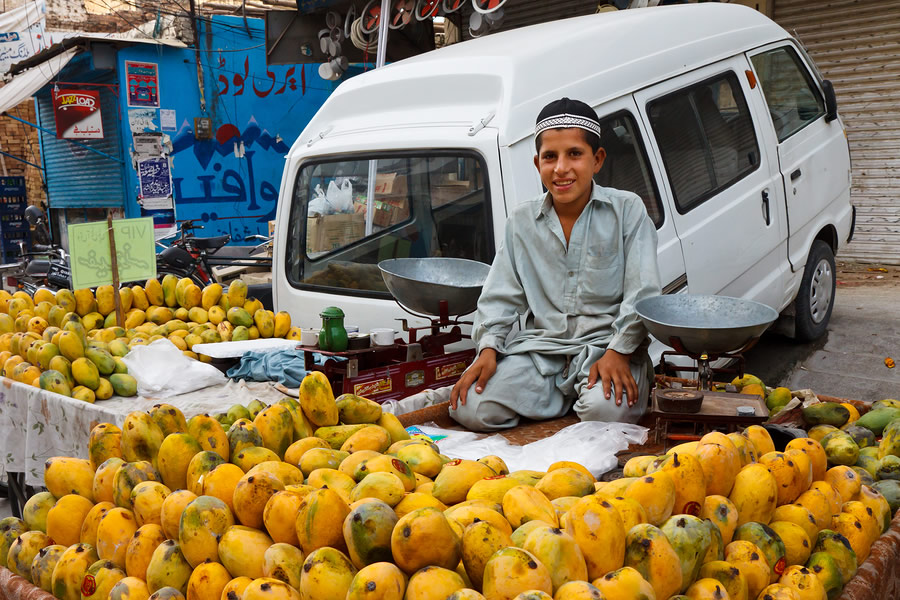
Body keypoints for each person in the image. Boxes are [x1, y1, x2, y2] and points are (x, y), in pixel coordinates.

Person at [449, 97, 661, 432]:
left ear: (597, 159)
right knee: (471, 407)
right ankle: (561, 400)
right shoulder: (521, 221)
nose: (561, 168)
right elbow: (499, 298)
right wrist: (488, 349)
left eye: (574, 154)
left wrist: (619, 351)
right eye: (550, 157)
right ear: (538, 163)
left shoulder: (627, 211)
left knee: (602, 413)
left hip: (606, 352)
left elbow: (644, 295)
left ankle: (576, 400)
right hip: (540, 355)